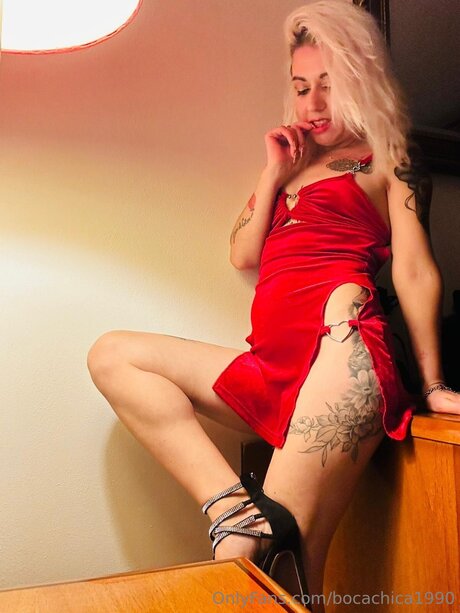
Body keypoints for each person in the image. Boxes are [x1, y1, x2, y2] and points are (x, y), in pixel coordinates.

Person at [86, 1, 460, 611]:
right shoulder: (292, 166)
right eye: (301, 87)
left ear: (361, 81)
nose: (313, 104)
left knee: (273, 573)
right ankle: (234, 511)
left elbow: (416, 271)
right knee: (113, 355)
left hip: (342, 353)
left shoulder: (389, 157)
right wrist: (271, 174)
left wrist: (434, 382)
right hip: (273, 367)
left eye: (329, 85)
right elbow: (242, 253)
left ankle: (248, 533)